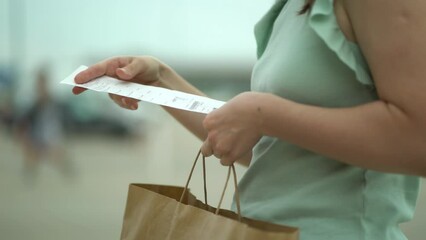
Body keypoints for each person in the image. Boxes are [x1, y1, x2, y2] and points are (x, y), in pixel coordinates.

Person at [71, 0, 426, 239]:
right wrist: (160, 79)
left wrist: (264, 114)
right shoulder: (291, 9)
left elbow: (418, 139)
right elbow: (273, 149)